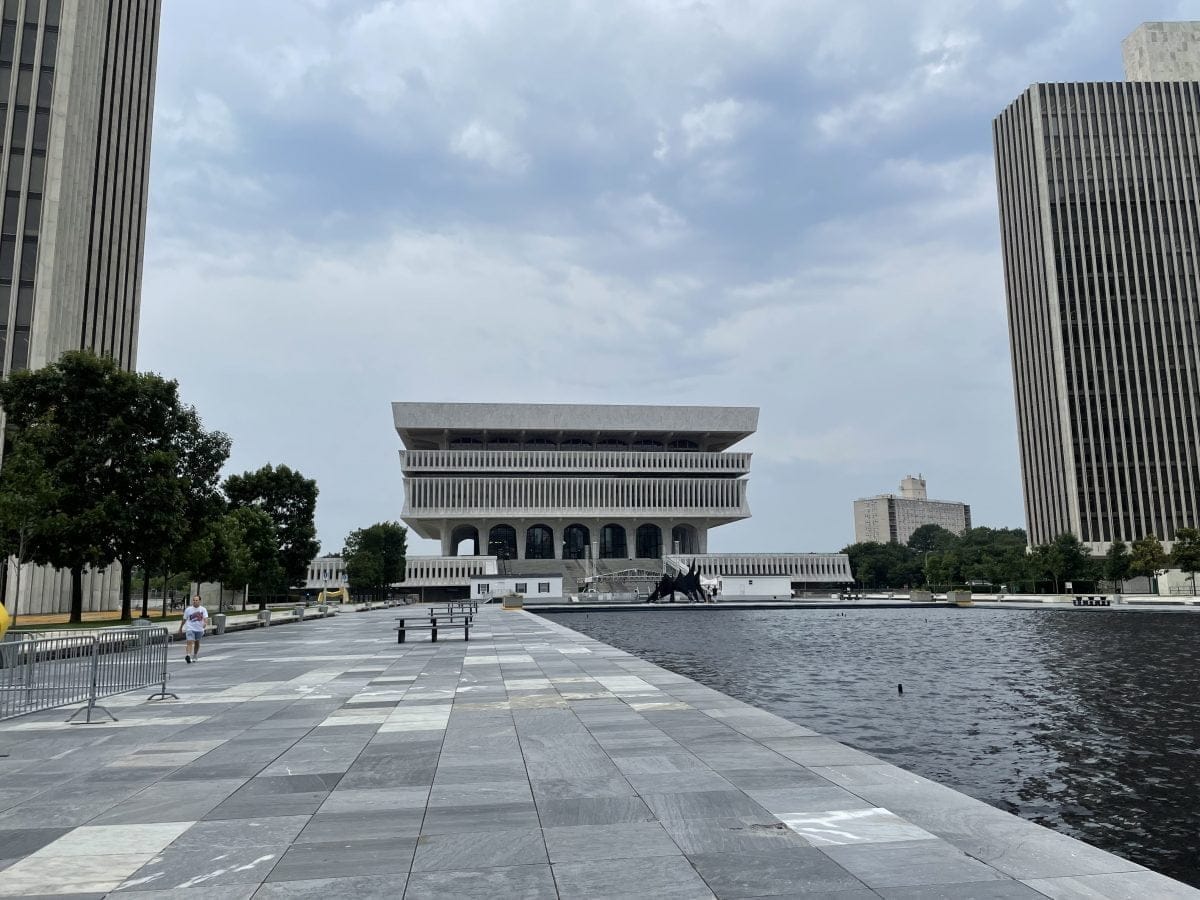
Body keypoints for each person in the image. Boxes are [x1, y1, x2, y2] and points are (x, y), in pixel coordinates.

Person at [179, 595, 209, 664]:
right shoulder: (188, 609)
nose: (195, 602)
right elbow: (184, 619)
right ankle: (188, 655)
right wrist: (180, 628)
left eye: (196, 600)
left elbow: (206, 618)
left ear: (199, 601)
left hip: (199, 629)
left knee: (197, 642)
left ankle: (195, 655)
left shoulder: (203, 609)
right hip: (190, 628)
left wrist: (205, 623)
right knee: (189, 641)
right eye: (194, 600)